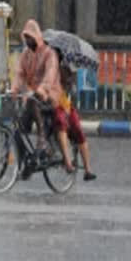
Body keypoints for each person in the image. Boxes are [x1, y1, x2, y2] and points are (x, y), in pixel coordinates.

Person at [11, 19, 61, 151]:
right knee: (18, 128)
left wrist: (42, 89)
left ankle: (41, 135)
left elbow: (50, 75)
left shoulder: (49, 53)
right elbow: (19, 73)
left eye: (29, 37)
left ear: (36, 37)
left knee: (33, 101)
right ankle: (24, 159)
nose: (27, 41)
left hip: (50, 94)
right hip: (31, 95)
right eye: (26, 37)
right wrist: (14, 89)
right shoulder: (25, 54)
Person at [51, 51, 98, 181]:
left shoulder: (70, 71)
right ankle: (67, 162)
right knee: (61, 124)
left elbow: (72, 90)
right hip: (53, 105)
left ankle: (88, 169)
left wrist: (68, 80)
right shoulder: (49, 68)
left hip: (65, 105)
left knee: (77, 129)